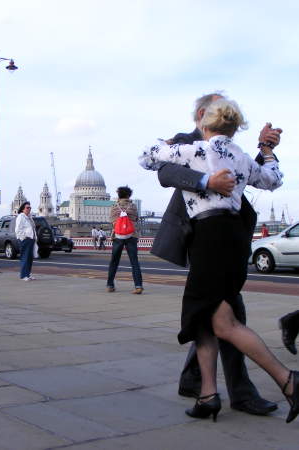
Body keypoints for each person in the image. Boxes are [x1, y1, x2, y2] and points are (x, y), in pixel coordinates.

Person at [140, 98, 299, 424]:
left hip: (211, 238)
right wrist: (263, 153)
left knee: (222, 320)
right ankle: (207, 393)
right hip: (227, 237)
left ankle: (281, 381)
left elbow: (149, 157)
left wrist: (165, 144)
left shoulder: (198, 149)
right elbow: (269, 177)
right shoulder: (216, 149)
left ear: (205, 119)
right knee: (209, 316)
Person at [107, 186, 143, 294]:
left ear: (118, 195)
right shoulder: (132, 206)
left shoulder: (114, 207)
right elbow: (136, 219)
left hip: (118, 236)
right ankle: (138, 286)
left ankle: (110, 285)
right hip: (131, 235)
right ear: (128, 195)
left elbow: (112, 221)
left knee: (114, 261)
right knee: (134, 262)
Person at [15, 202, 37, 281]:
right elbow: (18, 230)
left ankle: (28, 274)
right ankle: (23, 275)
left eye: (30, 208)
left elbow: (33, 228)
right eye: (27, 208)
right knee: (25, 257)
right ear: (23, 209)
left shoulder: (29, 217)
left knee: (30, 258)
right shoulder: (21, 217)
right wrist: (24, 237)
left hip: (31, 239)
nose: (29, 209)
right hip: (25, 239)